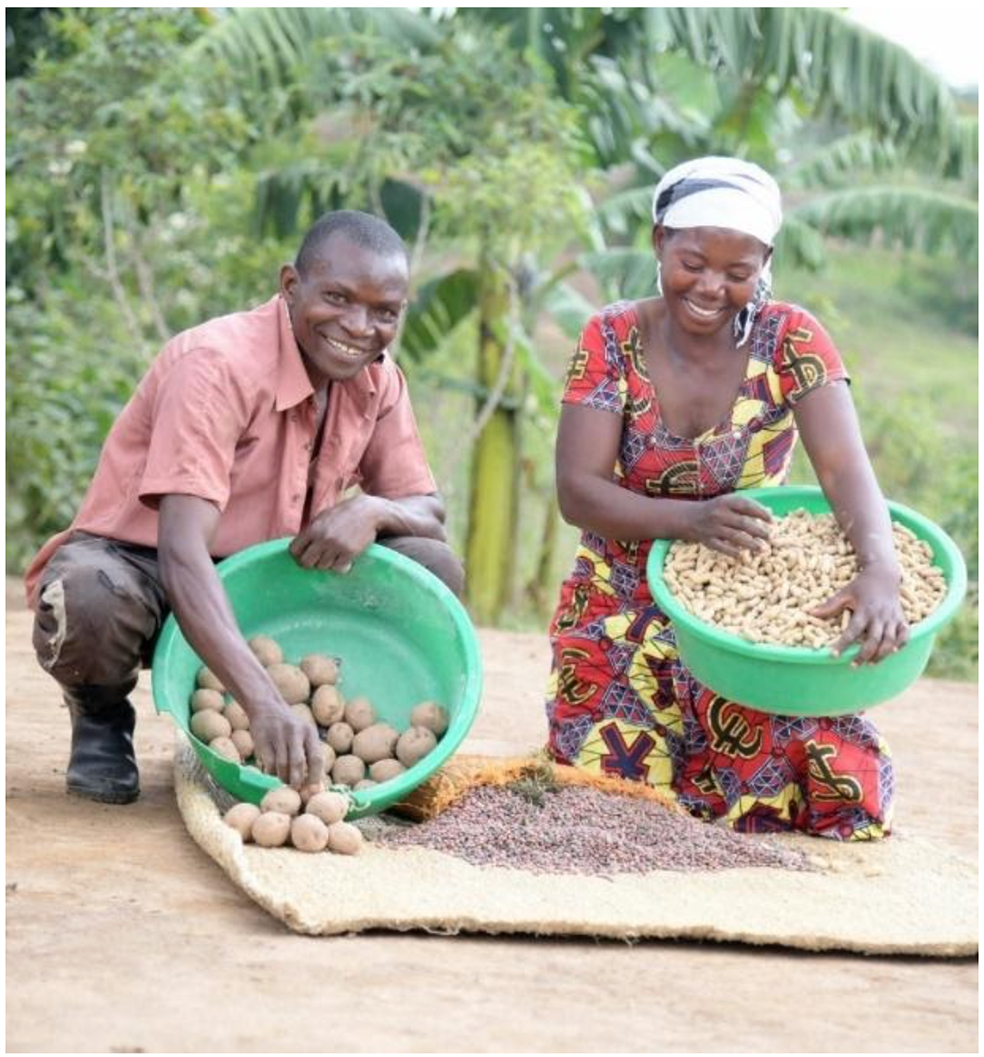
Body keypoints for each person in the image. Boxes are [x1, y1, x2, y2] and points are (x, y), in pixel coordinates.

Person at [26, 209, 463, 806]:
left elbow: (427, 509)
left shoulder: (378, 380)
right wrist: (265, 704)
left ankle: (363, 730)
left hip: (270, 573)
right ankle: (100, 712)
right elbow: (182, 553)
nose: (360, 327)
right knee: (89, 597)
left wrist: (373, 510)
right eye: (337, 298)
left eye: (384, 312)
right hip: (151, 569)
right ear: (291, 286)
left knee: (429, 563)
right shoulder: (216, 366)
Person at [545, 157, 905, 841]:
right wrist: (690, 520)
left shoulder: (789, 337)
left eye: (737, 273)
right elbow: (577, 491)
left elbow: (842, 464)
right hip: (620, 597)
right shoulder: (613, 337)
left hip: (741, 606)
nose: (711, 287)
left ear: (765, 262)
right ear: (658, 242)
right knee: (606, 796)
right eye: (692, 262)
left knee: (821, 778)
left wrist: (879, 566)